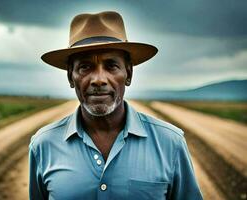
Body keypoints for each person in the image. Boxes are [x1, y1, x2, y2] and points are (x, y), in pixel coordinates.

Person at [29, 11, 203, 200]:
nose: (98, 79)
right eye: (85, 67)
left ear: (128, 73)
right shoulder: (43, 145)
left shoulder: (170, 143)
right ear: (71, 76)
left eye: (111, 66)